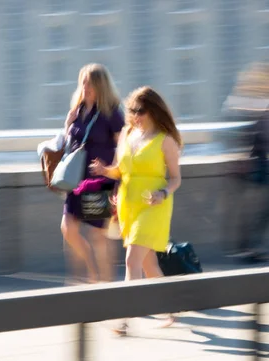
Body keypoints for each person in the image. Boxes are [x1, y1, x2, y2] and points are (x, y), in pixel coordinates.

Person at [90, 86, 182, 335]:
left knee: (132, 260)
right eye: (132, 111)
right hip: (128, 204)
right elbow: (120, 169)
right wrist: (103, 170)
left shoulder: (166, 141)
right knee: (149, 264)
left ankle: (123, 318)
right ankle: (172, 307)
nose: (135, 116)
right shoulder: (128, 134)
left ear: (153, 109)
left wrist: (162, 194)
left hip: (154, 205)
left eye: (140, 111)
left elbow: (175, 179)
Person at [222, 62, 269, 263]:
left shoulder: (263, 99)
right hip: (257, 160)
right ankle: (248, 248)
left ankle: (248, 247)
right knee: (263, 206)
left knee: (259, 206)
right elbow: (255, 131)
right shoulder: (261, 100)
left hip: (259, 159)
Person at [61, 63, 125, 284]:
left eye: (91, 83)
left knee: (98, 236)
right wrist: (67, 124)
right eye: (83, 82)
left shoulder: (111, 112)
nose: (86, 87)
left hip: (98, 181)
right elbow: (67, 143)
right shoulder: (77, 110)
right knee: (68, 229)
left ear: (101, 86)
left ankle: (105, 286)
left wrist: (110, 171)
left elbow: (123, 146)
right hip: (75, 179)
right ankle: (89, 273)